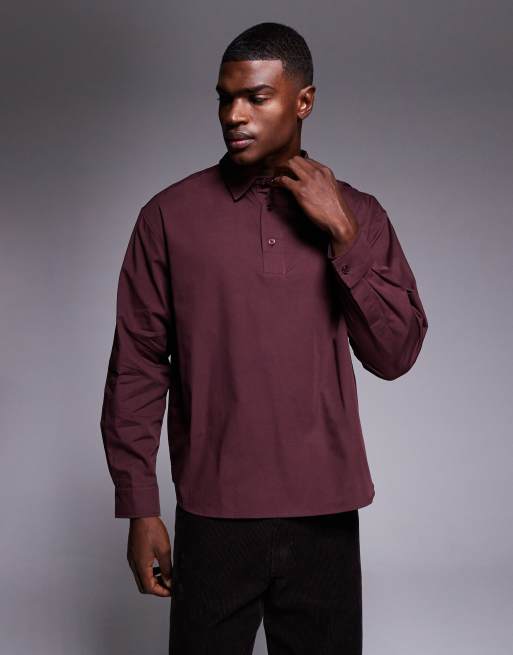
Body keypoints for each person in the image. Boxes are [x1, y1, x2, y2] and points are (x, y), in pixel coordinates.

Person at [100, 21, 428, 655]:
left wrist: (344, 236)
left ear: (303, 101)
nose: (234, 115)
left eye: (256, 97)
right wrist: (139, 506)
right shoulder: (168, 216)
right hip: (214, 514)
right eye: (225, 98)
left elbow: (396, 354)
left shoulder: (359, 213)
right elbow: (137, 364)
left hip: (325, 515)